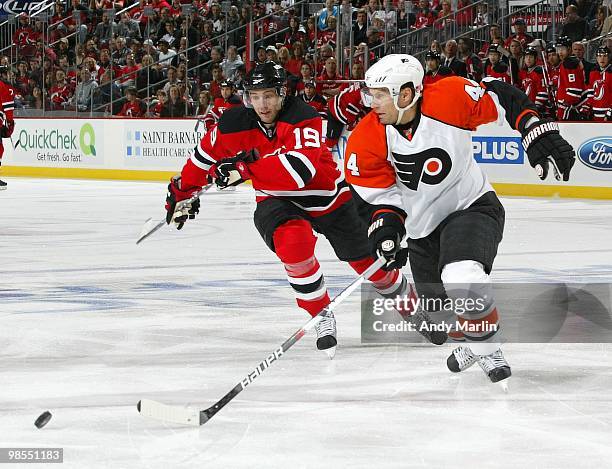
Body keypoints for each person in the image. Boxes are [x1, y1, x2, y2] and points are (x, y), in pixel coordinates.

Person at [163, 62, 447, 358]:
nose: (263, 104)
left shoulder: (303, 116)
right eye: (256, 96)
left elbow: (301, 171)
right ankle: (320, 314)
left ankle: (412, 308)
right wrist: (182, 192)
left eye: (269, 95)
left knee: (371, 265)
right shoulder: (233, 123)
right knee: (293, 246)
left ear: (283, 93)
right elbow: (201, 160)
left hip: (329, 197)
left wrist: (245, 167)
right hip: (278, 201)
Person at [344, 54, 575, 384]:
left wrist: (533, 129)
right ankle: (473, 336)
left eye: (380, 95)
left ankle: (488, 347)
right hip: (423, 230)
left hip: (472, 206)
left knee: (462, 274)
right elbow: (376, 200)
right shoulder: (366, 139)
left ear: (406, 94)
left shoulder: (449, 98)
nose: (373, 103)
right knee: (444, 320)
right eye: (371, 94)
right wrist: (386, 228)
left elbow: (499, 93)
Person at [0, 66, 16, 190]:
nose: (8, 76)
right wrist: (10, 122)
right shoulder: (4, 86)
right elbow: (8, 106)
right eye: (6, 74)